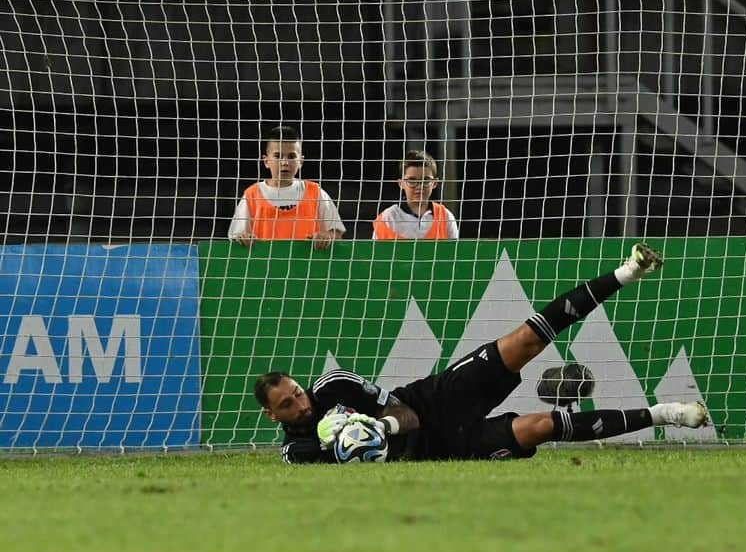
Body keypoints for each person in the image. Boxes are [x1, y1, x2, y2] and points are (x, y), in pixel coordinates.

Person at [254, 243, 709, 463]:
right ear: (273, 416)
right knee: (541, 426)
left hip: (435, 400)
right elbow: (325, 465)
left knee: (527, 340)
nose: (301, 401)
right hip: (443, 451)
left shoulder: (334, 386)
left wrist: (378, 425)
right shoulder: (296, 449)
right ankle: (664, 414)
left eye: (296, 391)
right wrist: (354, 448)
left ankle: (627, 272)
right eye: (288, 403)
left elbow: (404, 415)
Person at [228, 125, 346, 250]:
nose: (285, 162)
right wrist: (243, 238)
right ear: (266, 161)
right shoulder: (251, 195)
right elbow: (236, 238)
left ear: (300, 161)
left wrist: (327, 236)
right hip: (264, 268)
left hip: (308, 267)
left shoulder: (316, 192)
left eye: (291, 156)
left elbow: (337, 233)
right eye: (278, 156)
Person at [373, 149, 459, 240]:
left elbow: (456, 253)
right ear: (401, 183)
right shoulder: (387, 218)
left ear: (434, 183)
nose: (419, 186)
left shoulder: (446, 217)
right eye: (412, 180)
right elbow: (374, 253)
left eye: (426, 180)